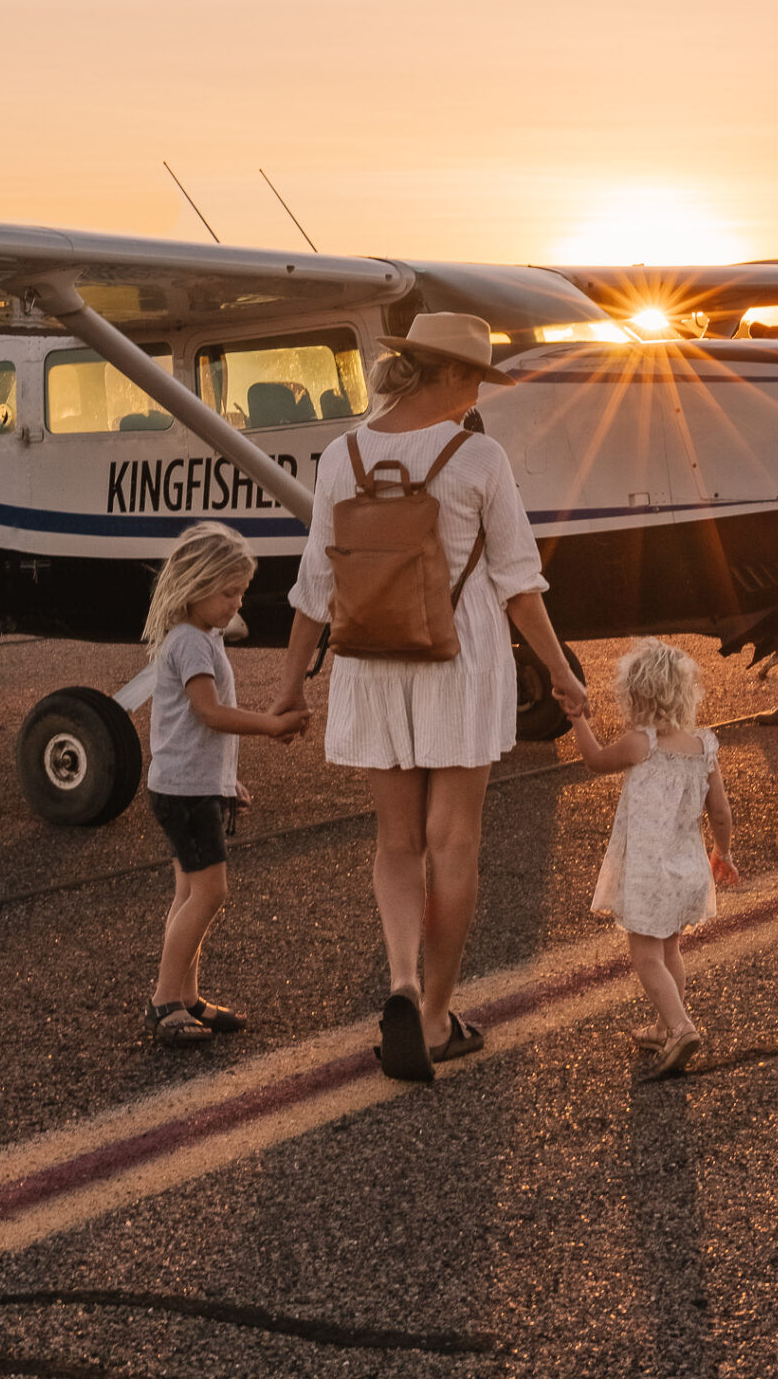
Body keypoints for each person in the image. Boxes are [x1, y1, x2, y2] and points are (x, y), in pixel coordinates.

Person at [271, 313, 587, 1082]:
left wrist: (288, 688)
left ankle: (402, 982)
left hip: (372, 661)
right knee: (454, 843)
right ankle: (439, 1016)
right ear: (448, 374)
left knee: (396, 842)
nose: (479, 392)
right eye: (476, 376)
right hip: (460, 660)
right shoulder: (477, 455)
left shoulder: (341, 456)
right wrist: (565, 677)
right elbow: (517, 581)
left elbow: (315, 587)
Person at [142, 522, 311, 1046]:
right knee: (210, 893)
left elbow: (191, 731)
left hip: (187, 786)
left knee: (190, 891)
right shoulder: (191, 643)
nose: (236, 604)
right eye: (228, 593)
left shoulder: (202, 636)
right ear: (195, 585)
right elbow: (210, 714)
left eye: (240, 592)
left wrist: (225, 782)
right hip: (184, 792)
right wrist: (272, 725)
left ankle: (186, 997)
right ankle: (165, 1001)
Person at [563, 636, 739, 1078]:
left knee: (645, 957)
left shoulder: (641, 742)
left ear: (635, 697)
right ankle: (664, 1026)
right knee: (669, 949)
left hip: (648, 871)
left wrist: (578, 719)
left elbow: (595, 761)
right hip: (688, 868)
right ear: (685, 694)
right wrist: (723, 851)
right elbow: (720, 810)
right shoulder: (705, 745)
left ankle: (680, 1027)